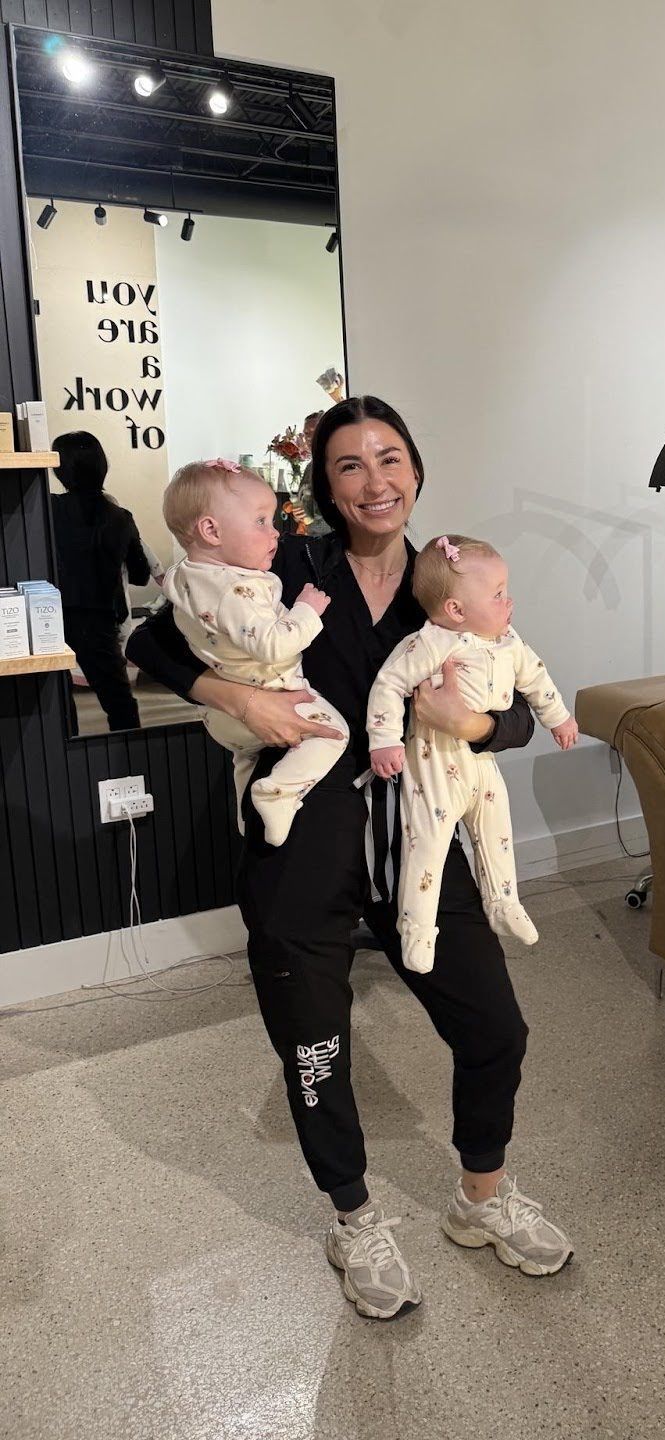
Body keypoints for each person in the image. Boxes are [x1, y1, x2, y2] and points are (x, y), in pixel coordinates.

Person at [126, 395, 572, 1320]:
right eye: (350, 466)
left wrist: (476, 722)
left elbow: (520, 694)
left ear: (416, 467)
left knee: (497, 1030)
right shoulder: (278, 565)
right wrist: (235, 699)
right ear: (321, 487)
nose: (377, 481)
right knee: (317, 1049)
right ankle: (355, 1217)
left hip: (421, 844)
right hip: (305, 856)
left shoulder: (449, 574)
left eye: (392, 458)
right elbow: (149, 640)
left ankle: (480, 1200)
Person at [368, 532, 579, 973]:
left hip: (481, 759)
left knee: (497, 829)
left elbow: (536, 680)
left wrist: (558, 718)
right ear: (456, 610)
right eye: (498, 594)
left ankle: (503, 902)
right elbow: (388, 684)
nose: (509, 601)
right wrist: (384, 738)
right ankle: (417, 929)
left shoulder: (509, 641)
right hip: (434, 761)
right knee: (427, 846)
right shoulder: (427, 644)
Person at [159, 458, 347, 845]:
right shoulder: (237, 590)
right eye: (261, 522)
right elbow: (275, 643)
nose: (275, 533)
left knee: (245, 757)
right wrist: (307, 610)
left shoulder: (185, 578)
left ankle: (251, 816)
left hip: (221, 719)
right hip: (273, 695)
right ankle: (276, 794)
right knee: (333, 734)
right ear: (211, 530)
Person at [51, 430, 154, 733]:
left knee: (54, 698)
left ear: (60, 468)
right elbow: (140, 574)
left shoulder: (47, 510)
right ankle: (130, 765)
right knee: (119, 702)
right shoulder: (120, 516)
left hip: (51, 616)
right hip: (100, 621)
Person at [293, 410, 331, 536]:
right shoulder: (310, 467)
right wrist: (297, 513)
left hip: (336, 540)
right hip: (314, 539)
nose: (309, 438)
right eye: (306, 433)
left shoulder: (337, 464)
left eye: (314, 431)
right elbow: (301, 501)